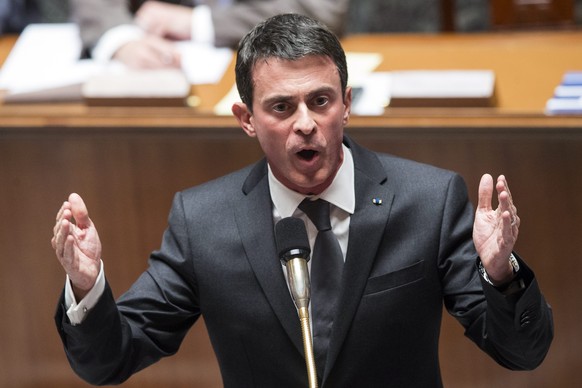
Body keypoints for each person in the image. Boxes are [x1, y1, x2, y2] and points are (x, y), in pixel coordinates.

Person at [52, 13, 553, 387]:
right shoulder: (203, 221)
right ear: (246, 120)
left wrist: (501, 273)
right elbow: (109, 360)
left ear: (347, 104)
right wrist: (86, 284)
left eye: (320, 100)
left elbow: (522, 354)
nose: (306, 123)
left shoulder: (429, 200)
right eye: (281, 107)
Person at [70, 0, 349, 68]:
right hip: (163, 67)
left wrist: (199, 23)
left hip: (276, 62)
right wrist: (121, 39)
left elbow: (322, 9)